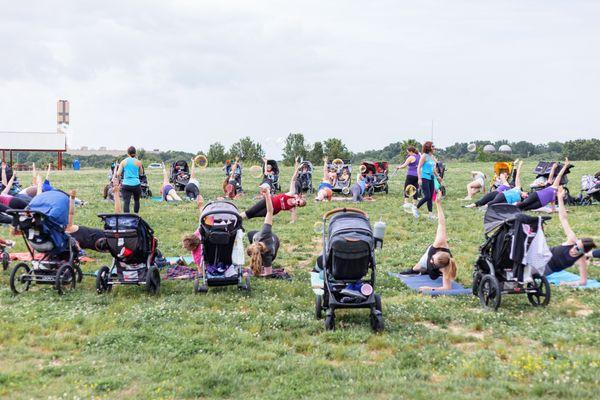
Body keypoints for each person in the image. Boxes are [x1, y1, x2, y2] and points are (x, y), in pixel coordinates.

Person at [399, 194, 457, 291]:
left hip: (438, 269)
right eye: (433, 259)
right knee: (417, 268)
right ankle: (416, 270)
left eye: (433, 261)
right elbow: (442, 223)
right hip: (429, 253)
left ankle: (433, 271)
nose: (431, 260)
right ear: (437, 253)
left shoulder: (447, 266)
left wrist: (430, 288)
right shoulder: (440, 242)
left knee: (434, 275)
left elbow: (447, 288)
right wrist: (438, 204)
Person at [543, 187, 596, 286]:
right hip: (543, 254)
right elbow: (563, 218)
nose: (574, 249)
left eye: (578, 249)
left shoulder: (581, 259)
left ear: (583, 252)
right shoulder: (572, 240)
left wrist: (567, 283)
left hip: (545, 269)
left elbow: (583, 282)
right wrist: (560, 198)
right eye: (576, 245)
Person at [241, 158, 306, 223]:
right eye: (298, 202)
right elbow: (293, 180)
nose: (296, 203)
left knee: (254, 215)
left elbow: (293, 218)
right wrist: (297, 168)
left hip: (272, 210)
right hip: (267, 201)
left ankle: (239, 219)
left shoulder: (292, 208)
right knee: (250, 211)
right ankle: (237, 217)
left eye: (298, 204)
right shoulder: (291, 194)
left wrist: (293, 221)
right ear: (298, 198)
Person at [65, 187, 119, 252]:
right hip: (108, 241)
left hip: (107, 242)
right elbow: (71, 213)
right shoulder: (68, 231)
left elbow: (71, 213)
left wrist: (72, 199)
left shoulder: (68, 231)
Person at [247, 188, 280, 276]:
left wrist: (252, 274)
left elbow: (268, 274)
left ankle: (258, 263)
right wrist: (267, 195)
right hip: (269, 238)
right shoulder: (265, 232)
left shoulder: (267, 256)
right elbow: (270, 211)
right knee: (250, 234)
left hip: (274, 243)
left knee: (261, 264)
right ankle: (257, 262)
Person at [414, 141, 444, 219]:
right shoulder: (424, 156)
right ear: (428, 147)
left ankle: (430, 215)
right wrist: (419, 178)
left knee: (430, 197)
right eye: (432, 146)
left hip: (431, 178)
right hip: (424, 177)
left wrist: (438, 176)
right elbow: (418, 167)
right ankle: (415, 208)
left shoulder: (432, 156)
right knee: (427, 196)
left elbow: (433, 169)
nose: (434, 148)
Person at [113, 146, 143, 213]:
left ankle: (127, 217)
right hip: (136, 184)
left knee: (126, 201)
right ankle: (136, 215)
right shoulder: (138, 162)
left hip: (126, 184)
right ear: (135, 153)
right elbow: (141, 173)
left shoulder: (123, 162)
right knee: (136, 200)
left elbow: (118, 174)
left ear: (127, 153)